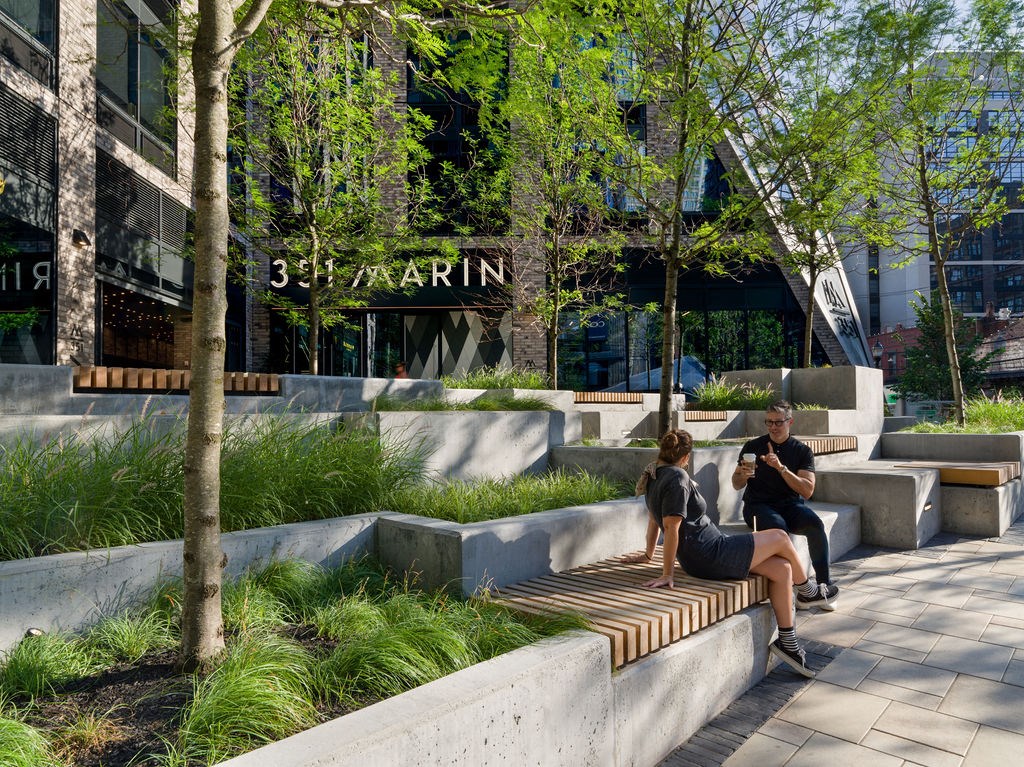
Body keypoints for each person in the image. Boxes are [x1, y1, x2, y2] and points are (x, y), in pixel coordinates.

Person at [624, 429, 816, 677]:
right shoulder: (678, 478)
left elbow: (653, 521)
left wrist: (649, 554)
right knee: (780, 537)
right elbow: (670, 527)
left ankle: (787, 643)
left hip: (709, 551)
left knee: (782, 569)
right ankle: (808, 591)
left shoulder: (653, 474)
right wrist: (667, 573)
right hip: (710, 554)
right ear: (686, 457)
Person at [732, 400, 839, 611]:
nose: (772, 427)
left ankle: (823, 586)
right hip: (757, 506)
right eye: (769, 422)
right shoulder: (753, 447)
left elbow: (807, 490)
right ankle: (800, 589)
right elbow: (736, 485)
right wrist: (741, 475)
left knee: (815, 525)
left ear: (790, 421)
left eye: (778, 422)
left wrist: (781, 468)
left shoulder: (802, 451)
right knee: (777, 528)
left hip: (790, 505)